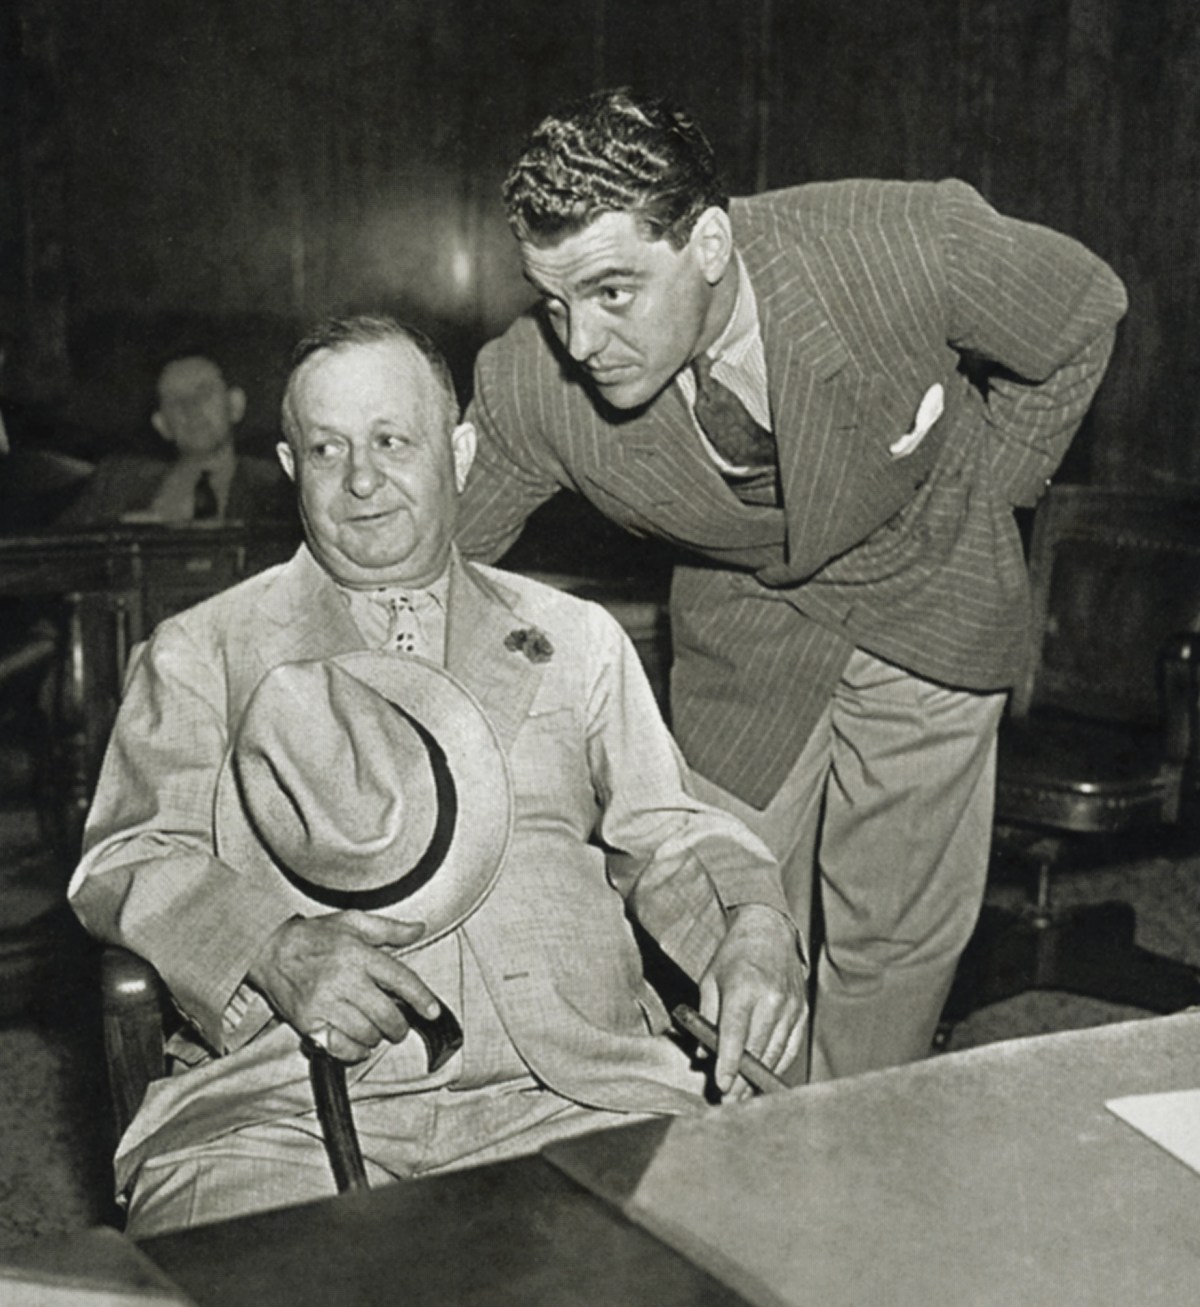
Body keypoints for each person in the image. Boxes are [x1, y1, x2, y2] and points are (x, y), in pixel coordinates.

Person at [68, 314, 805, 1236]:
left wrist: (754, 923)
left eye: (391, 440)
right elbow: (127, 857)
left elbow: (668, 834)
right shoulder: (201, 651)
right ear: (291, 468)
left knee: (738, 1258)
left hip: (580, 1090)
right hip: (288, 1110)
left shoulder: (575, 638)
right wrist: (271, 948)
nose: (361, 479)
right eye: (327, 449)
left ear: (457, 454)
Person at [454, 88, 1129, 1082]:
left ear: (709, 244)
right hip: (747, 626)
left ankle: (845, 1146)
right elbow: (432, 560)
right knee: (712, 909)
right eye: (555, 301)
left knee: (889, 942)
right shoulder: (531, 386)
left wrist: (993, 490)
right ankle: (750, 1131)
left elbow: (1082, 311)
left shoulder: (897, 248)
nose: (581, 341)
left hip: (931, 593)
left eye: (611, 292)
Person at [56, 351, 292, 527]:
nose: (191, 408)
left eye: (204, 392)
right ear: (162, 424)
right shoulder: (115, 484)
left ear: (235, 405)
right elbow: (55, 559)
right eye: (175, 400)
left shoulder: (282, 488)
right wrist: (125, 531)